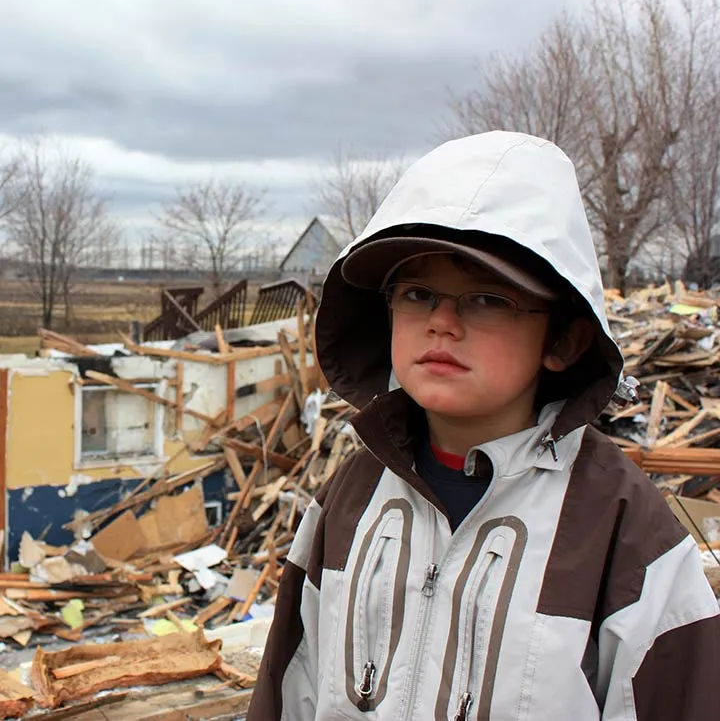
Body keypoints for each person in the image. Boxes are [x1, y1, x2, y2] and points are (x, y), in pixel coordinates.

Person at [247, 131, 720, 721]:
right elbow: (291, 691)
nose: (442, 322)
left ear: (565, 340)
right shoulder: (351, 497)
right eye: (417, 293)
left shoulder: (621, 529)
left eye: (488, 299)